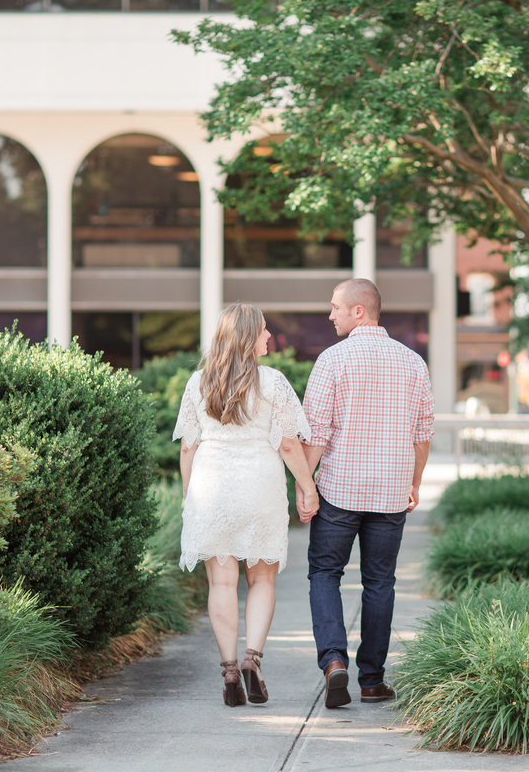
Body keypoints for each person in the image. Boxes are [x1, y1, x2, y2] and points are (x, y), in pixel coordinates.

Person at [173, 303, 319, 707]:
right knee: (262, 581)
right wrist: (308, 487)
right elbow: (289, 443)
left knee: (221, 583)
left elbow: (188, 447)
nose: (269, 337)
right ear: (246, 338)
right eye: (264, 331)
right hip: (260, 487)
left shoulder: (198, 383)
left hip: (211, 487)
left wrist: (189, 497)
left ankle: (230, 671)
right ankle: (253, 658)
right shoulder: (272, 382)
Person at [299, 278, 434, 708]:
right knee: (380, 583)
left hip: (340, 490)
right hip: (391, 494)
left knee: (325, 573)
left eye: (336, 307)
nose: (330, 314)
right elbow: (422, 435)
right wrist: (414, 482)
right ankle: (372, 681)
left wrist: (306, 485)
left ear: (360, 311)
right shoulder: (413, 363)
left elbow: (316, 434)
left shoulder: (332, 361)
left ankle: (334, 661)